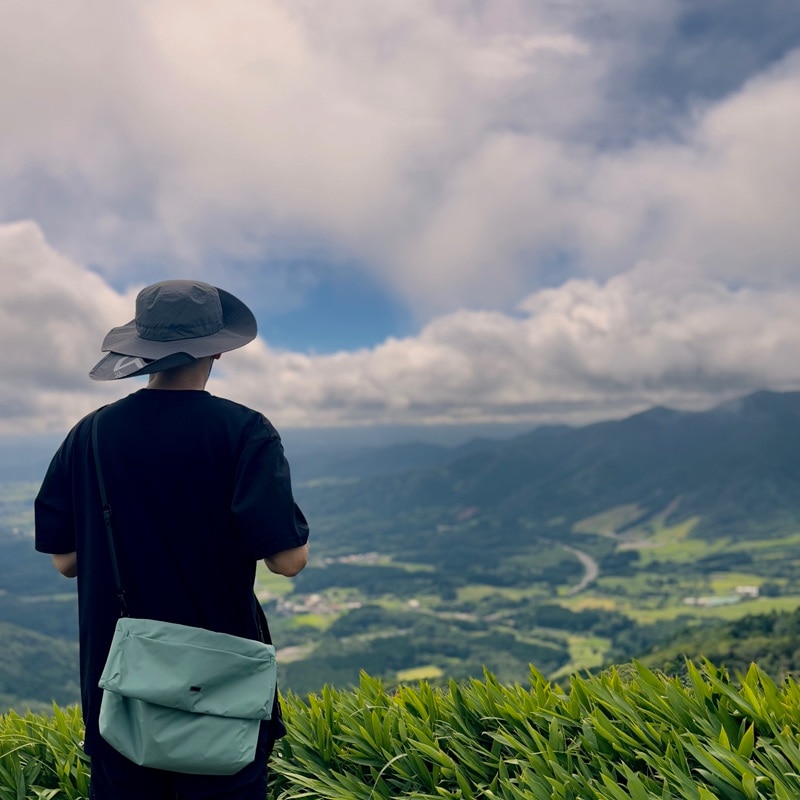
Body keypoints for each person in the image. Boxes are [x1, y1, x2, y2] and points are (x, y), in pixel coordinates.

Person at [34, 279, 309, 800]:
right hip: (218, 680)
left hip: (119, 679)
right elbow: (288, 561)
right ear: (219, 347)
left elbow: (66, 559)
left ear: (142, 349)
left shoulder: (88, 435)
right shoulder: (245, 432)